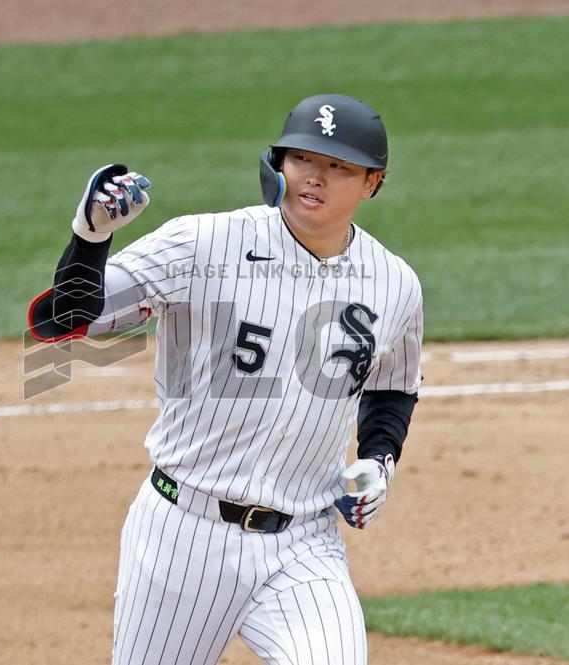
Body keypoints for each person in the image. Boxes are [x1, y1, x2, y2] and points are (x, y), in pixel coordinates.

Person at [28, 93, 423, 664]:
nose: (315, 177)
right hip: (183, 536)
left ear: (373, 182)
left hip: (305, 545)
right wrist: (90, 238)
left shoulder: (395, 284)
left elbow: (393, 385)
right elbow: (67, 318)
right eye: (302, 158)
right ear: (278, 162)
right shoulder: (202, 244)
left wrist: (378, 460)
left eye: (338, 166)